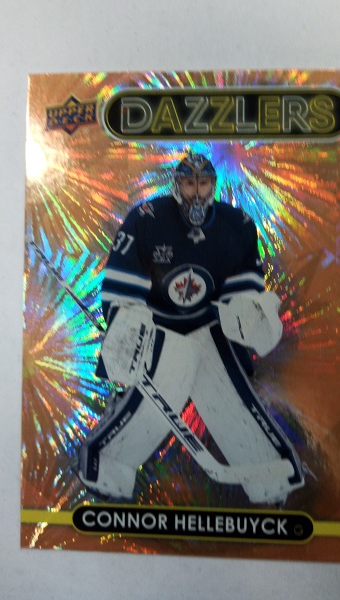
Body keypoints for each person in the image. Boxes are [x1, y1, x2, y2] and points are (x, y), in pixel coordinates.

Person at [78, 152, 304, 504]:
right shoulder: (147, 219)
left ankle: (271, 478)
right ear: (176, 185)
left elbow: (243, 285)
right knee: (155, 396)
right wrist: (126, 323)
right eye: (188, 183)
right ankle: (106, 472)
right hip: (158, 325)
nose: (196, 192)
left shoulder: (237, 223)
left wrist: (248, 311)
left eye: (203, 183)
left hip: (209, 324)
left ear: (213, 185)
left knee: (231, 399)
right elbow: (123, 282)